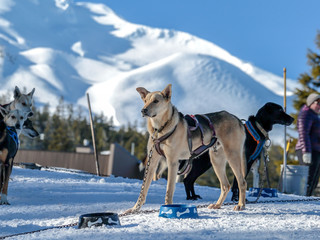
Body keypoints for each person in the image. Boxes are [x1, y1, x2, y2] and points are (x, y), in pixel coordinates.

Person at [296, 93, 320, 196]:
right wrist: (306, 152)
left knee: (314, 178)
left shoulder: (314, 115)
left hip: (316, 150)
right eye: (318, 103)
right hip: (308, 150)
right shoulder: (306, 114)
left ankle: (308, 197)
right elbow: (303, 133)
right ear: (311, 103)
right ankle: (303, 198)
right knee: (308, 178)